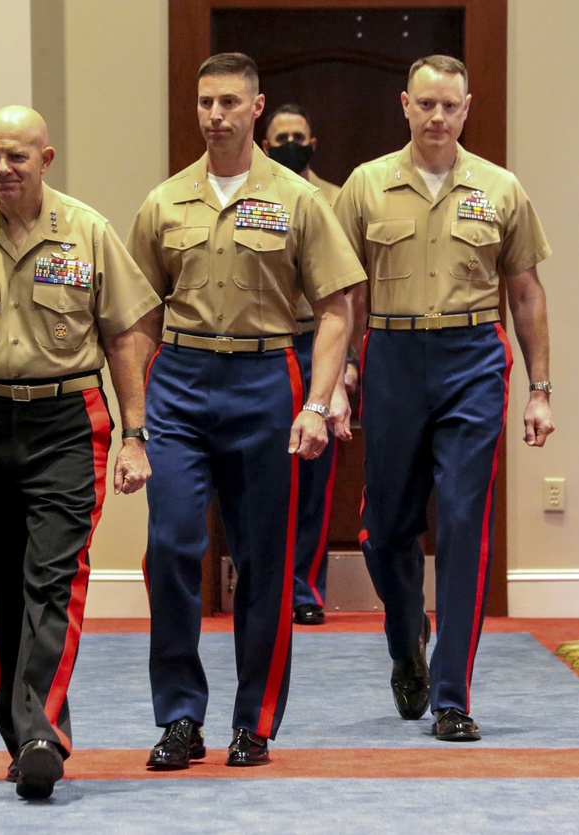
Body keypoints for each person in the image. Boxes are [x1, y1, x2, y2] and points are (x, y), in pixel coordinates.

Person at [0, 106, 161, 800]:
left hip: (70, 418)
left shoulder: (87, 231)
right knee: (9, 585)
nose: (2, 169)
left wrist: (135, 434)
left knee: (54, 571)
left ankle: (42, 728)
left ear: (46, 159)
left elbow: (125, 338)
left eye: (17, 157)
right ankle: (22, 731)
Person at [126, 53, 365, 769]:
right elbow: (135, 320)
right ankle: (178, 716)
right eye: (205, 102)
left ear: (256, 108)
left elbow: (335, 309)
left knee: (264, 558)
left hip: (266, 378)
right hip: (180, 379)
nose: (215, 115)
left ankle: (254, 720)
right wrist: (132, 426)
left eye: (229, 101)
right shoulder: (164, 201)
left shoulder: (298, 199)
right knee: (171, 544)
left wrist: (318, 403)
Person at [333, 55, 554, 742]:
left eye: (449, 106)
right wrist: (336, 376)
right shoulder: (365, 186)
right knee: (384, 528)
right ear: (405, 104)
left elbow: (525, 293)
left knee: (463, 521)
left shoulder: (500, 188)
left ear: (466, 108)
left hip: (473, 360)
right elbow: (345, 295)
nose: (437, 117)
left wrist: (540, 389)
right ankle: (409, 640)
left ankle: (452, 693)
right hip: (392, 358)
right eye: (425, 104)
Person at [261, 104, 343, 626]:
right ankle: (265, 584)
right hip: (268, 346)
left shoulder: (333, 199)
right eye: (280, 137)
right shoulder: (255, 194)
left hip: (318, 343)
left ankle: (305, 587)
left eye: (298, 136)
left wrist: (346, 371)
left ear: (313, 142)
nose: (290, 143)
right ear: (266, 145)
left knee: (313, 473)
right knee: (262, 472)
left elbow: (348, 295)